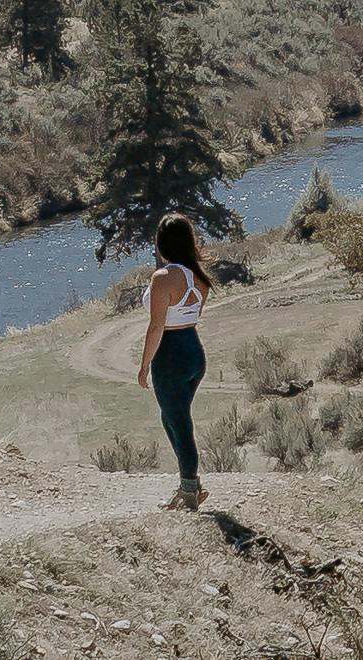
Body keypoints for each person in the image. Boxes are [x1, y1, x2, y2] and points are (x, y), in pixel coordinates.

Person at [138, 211, 213, 509]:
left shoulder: (163, 278)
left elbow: (157, 326)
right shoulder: (199, 276)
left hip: (170, 353)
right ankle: (191, 483)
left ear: (162, 243)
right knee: (173, 417)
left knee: (179, 422)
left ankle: (189, 489)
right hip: (193, 349)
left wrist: (145, 364)